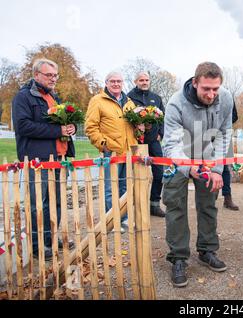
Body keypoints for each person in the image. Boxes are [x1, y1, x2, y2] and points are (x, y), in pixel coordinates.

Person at [162, 62, 233, 287]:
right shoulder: (175, 104)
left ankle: (207, 250)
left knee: (208, 204)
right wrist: (187, 167)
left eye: (215, 89)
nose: (212, 94)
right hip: (178, 157)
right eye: (206, 89)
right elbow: (171, 144)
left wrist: (216, 169)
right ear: (195, 83)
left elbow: (224, 134)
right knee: (175, 206)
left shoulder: (226, 98)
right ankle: (179, 257)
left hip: (206, 155)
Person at [12, 58, 76, 260]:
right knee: (38, 203)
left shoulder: (53, 97)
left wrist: (70, 129)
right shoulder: (24, 97)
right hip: (37, 159)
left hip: (57, 157)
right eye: (49, 75)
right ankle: (36, 245)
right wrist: (58, 130)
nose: (53, 79)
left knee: (55, 202)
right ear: (36, 75)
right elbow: (23, 126)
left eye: (55, 75)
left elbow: (60, 124)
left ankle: (49, 239)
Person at [85, 71, 138, 231]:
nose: (116, 84)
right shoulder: (98, 101)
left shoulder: (129, 102)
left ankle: (125, 219)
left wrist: (141, 128)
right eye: (113, 81)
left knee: (125, 187)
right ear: (106, 83)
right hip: (111, 152)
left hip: (128, 152)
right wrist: (103, 145)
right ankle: (112, 220)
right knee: (110, 188)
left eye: (119, 81)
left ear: (123, 83)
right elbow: (91, 127)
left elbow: (133, 126)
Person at [127, 71, 166, 217]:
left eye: (146, 80)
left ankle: (154, 204)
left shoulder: (156, 98)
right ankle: (138, 205)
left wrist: (160, 134)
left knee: (159, 173)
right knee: (137, 173)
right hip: (137, 142)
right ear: (135, 81)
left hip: (153, 141)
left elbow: (163, 117)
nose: (144, 82)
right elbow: (126, 117)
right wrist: (136, 124)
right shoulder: (129, 97)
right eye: (141, 80)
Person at [221, 101, 239, 211]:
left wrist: (224, 122)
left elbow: (235, 116)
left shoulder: (228, 97)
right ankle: (209, 196)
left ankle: (227, 198)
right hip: (206, 135)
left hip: (224, 135)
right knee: (207, 166)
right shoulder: (206, 94)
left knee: (225, 168)